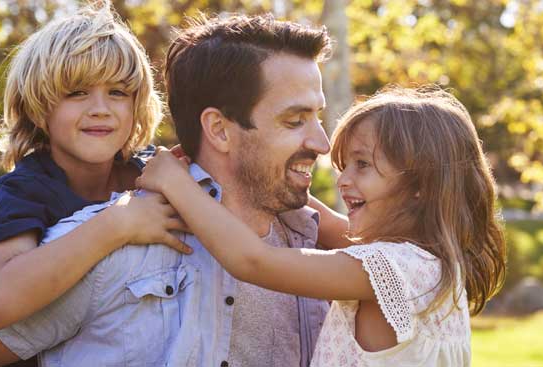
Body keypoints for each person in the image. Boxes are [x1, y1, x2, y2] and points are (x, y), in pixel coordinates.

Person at [0, 8, 341, 367]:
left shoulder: (155, 169)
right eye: (77, 93)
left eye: (118, 92)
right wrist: (117, 225)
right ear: (40, 106)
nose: (100, 109)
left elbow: (292, 202)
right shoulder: (30, 191)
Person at [137, 86, 508, 366]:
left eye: (362, 165)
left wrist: (176, 184)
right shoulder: (427, 263)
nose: (343, 180)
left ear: (420, 186)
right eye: (344, 165)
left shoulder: (393, 270)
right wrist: (262, 175)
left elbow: (253, 261)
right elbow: (327, 224)